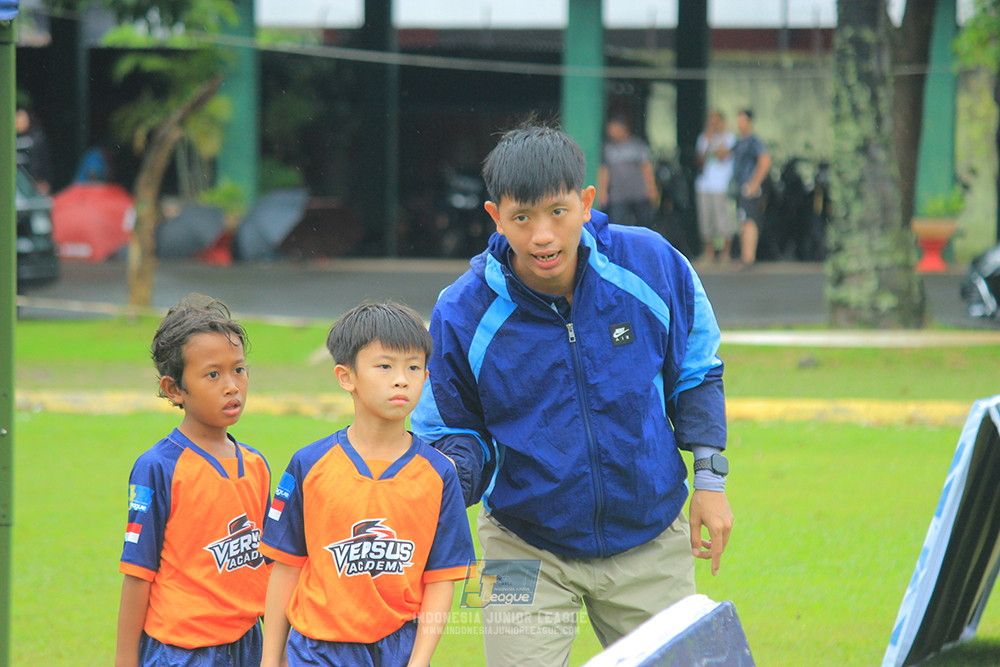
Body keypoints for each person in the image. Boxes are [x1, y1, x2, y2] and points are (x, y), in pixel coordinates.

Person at [411, 122, 733, 666]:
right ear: (495, 217)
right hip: (523, 545)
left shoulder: (652, 264)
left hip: (650, 534)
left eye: (558, 213)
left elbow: (698, 372)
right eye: (522, 218)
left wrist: (709, 480)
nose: (542, 236)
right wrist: (444, 488)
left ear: (586, 203)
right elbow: (448, 430)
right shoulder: (461, 311)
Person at [260, 301, 475, 667]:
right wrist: (269, 660)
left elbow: (441, 580)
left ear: (426, 376)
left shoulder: (440, 473)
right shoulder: (309, 464)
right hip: (316, 650)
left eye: (413, 367)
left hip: (398, 649)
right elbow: (286, 566)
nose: (401, 379)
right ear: (347, 377)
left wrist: (418, 662)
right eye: (385, 366)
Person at [116, 294, 271, 667]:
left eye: (239, 369)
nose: (232, 386)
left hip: (249, 643)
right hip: (182, 651)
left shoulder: (256, 465)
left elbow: (267, 564)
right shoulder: (158, 467)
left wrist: (279, 646)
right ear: (174, 389)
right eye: (213, 374)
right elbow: (139, 572)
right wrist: (125, 659)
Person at [597, 114, 659, 228]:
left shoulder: (637, 145)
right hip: (618, 196)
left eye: (614, 128)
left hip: (639, 194)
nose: (611, 131)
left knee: (644, 225)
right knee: (617, 226)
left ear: (623, 128)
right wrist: (603, 192)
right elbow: (604, 171)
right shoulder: (608, 148)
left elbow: (646, 168)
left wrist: (651, 188)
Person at [695, 110, 738, 263]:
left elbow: (722, 155)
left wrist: (718, 138)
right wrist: (708, 140)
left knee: (722, 220)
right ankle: (709, 253)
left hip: (721, 186)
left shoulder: (729, 137)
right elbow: (700, 159)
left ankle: (726, 254)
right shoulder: (704, 138)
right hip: (704, 186)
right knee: (706, 220)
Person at [731, 109, 772, 269]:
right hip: (740, 187)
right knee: (743, 220)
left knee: (749, 220)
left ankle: (749, 257)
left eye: (741, 120)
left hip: (749, 188)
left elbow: (765, 160)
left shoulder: (754, 142)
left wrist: (754, 183)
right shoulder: (740, 141)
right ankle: (744, 255)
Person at [15, 106, 52, 195]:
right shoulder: (7, 139)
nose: (19, 122)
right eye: (17, 117)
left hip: (32, 185)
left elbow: (43, 161)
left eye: (22, 118)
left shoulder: (36, 138)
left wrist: (43, 181)